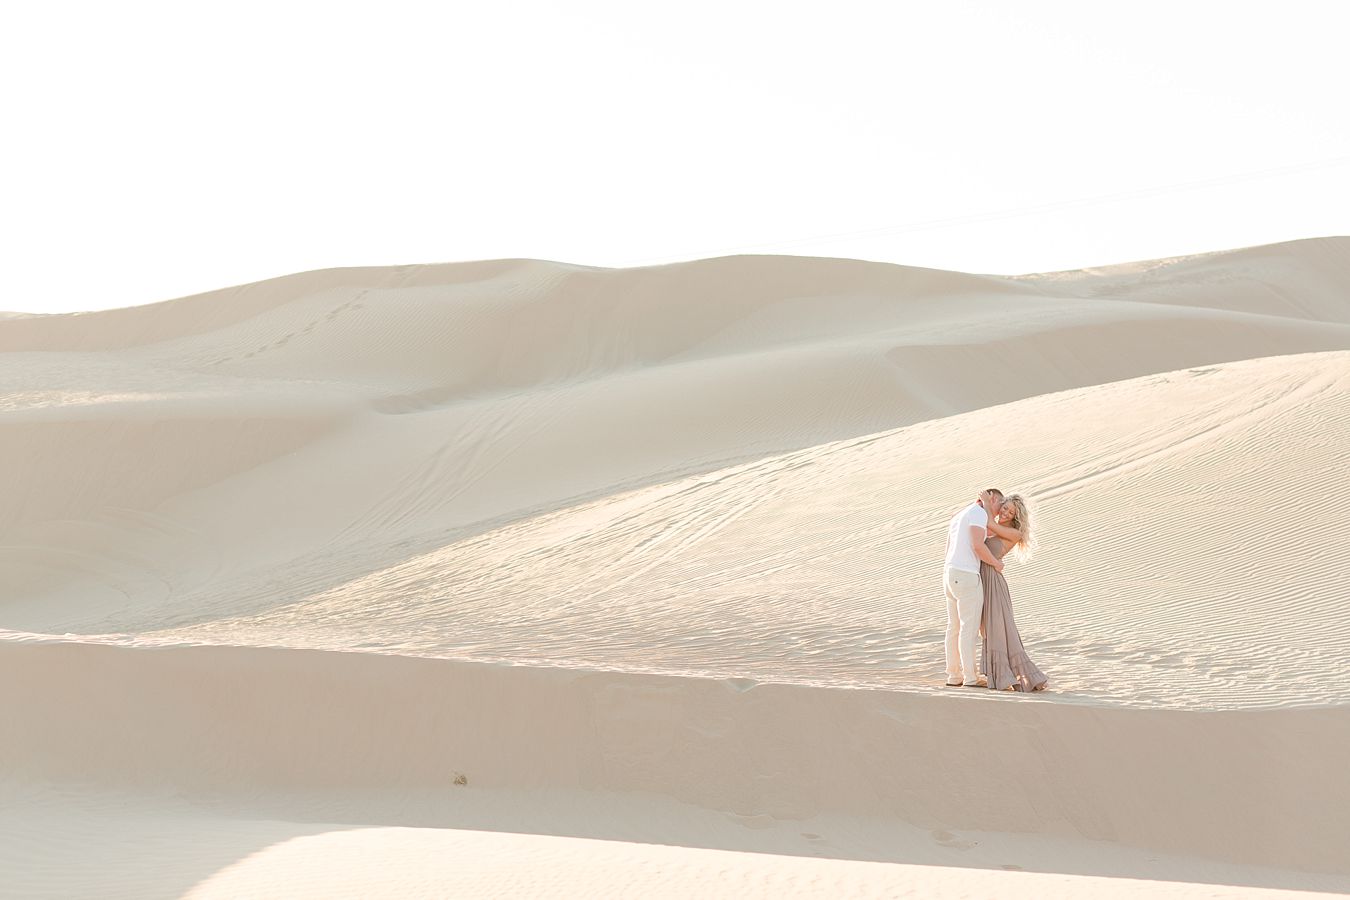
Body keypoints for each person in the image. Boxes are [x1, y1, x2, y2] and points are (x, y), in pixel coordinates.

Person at [978, 491, 1049, 692]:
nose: (1006, 512)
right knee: (987, 629)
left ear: (1017, 517)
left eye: (1011, 511)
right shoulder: (995, 525)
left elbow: (991, 524)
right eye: (1005, 507)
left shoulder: (1013, 533)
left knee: (1000, 629)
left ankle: (1009, 676)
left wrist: (984, 502)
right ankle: (995, 673)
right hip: (982, 577)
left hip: (993, 580)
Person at [942, 488, 1006, 687]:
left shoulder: (961, 514)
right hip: (966, 575)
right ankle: (970, 676)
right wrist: (996, 564)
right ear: (992, 498)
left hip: (949, 574)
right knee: (968, 628)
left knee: (954, 628)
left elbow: (949, 547)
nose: (997, 513)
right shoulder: (978, 513)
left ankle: (954, 675)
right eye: (999, 506)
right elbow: (978, 545)